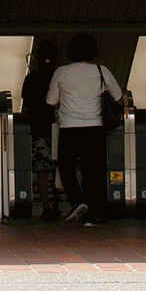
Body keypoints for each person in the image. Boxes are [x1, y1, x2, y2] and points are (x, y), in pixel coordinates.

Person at [46, 32, 122, 227]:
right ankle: (91, 216)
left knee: (65, 167)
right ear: (92, 51)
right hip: (95, 129)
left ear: (71, 51)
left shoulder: (62, 72)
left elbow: (51, 102)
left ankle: (77, 201)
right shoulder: (101, 70)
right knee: (92, 172)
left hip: (69, 128)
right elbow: (118, 97)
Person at [20, 40, 61, 221]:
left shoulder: (31, 78)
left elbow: (27, 105)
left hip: (39, 129)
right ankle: (57, 205)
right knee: (60, 169)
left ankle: (46, 207)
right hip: (60, 128)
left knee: (41, 170)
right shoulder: (60, 76)